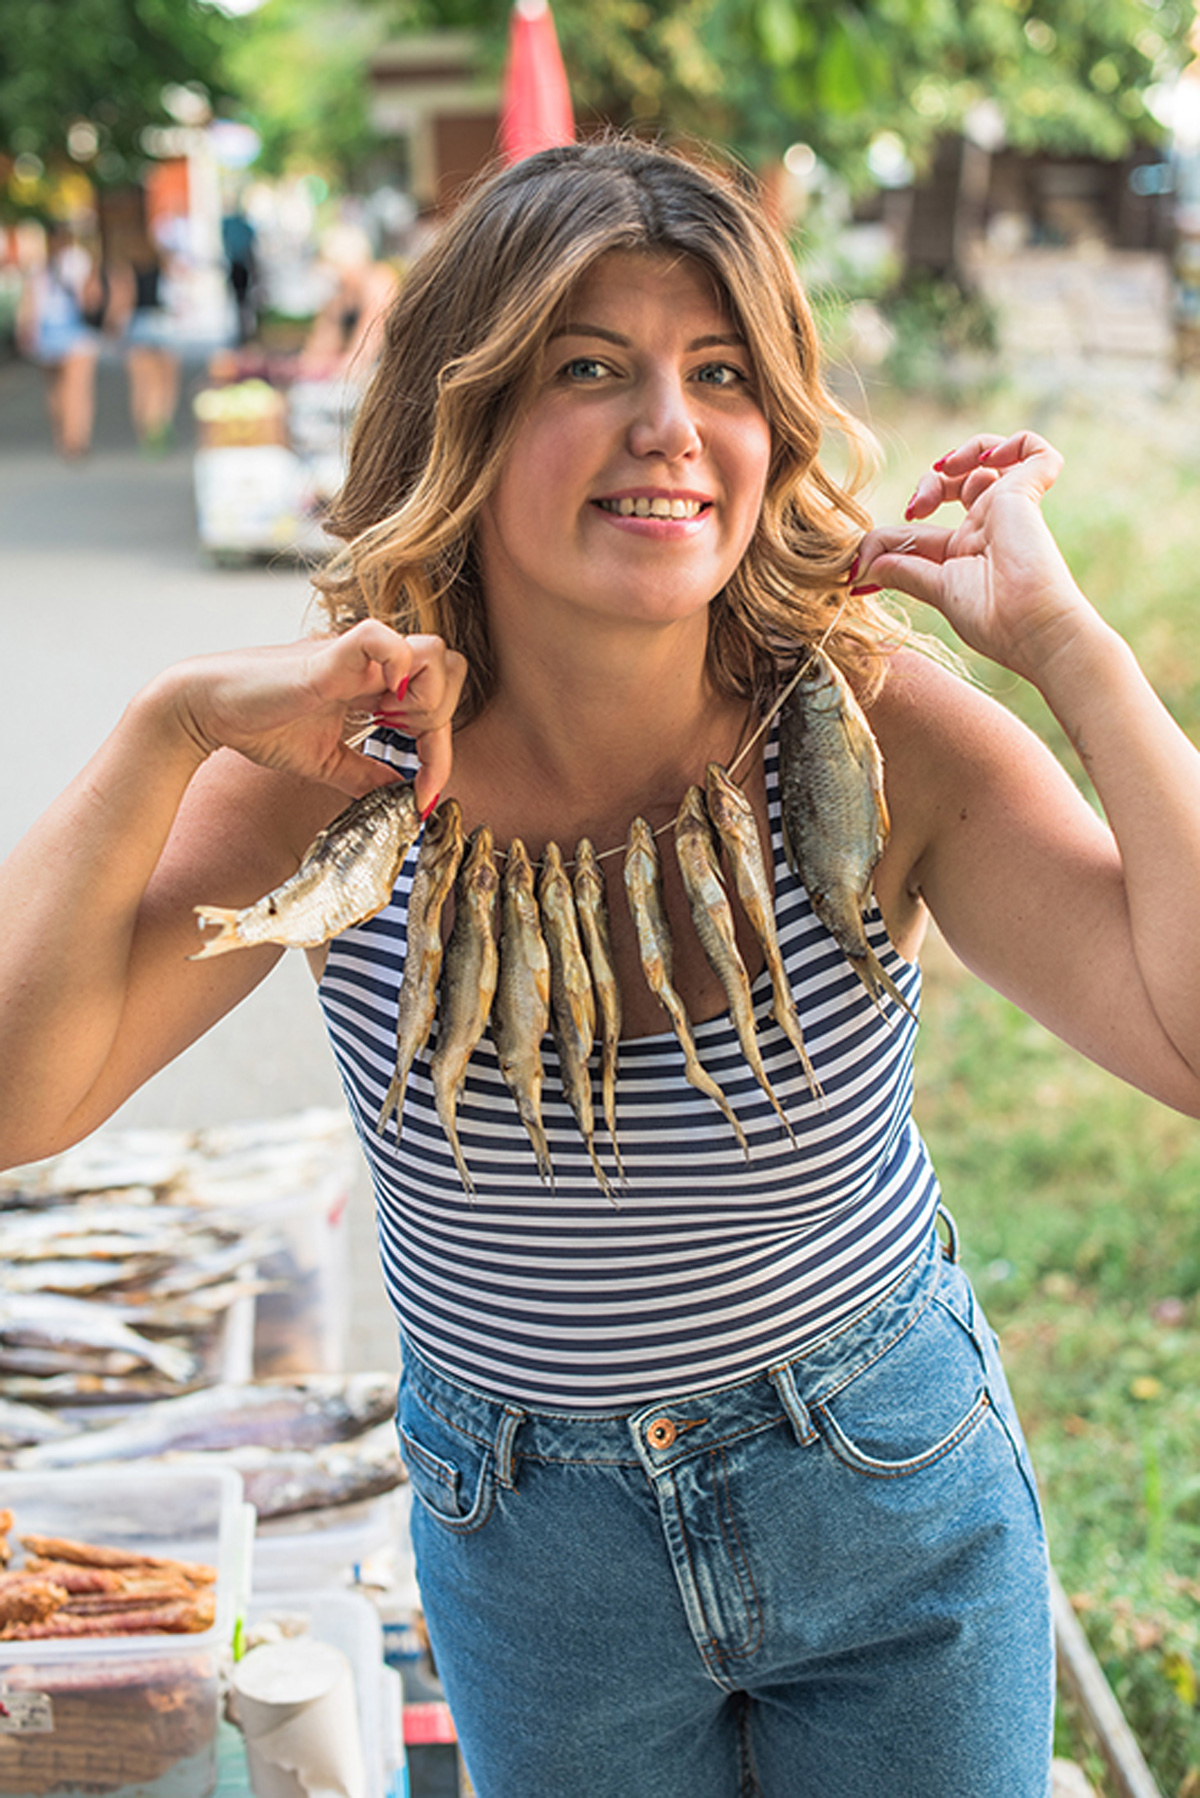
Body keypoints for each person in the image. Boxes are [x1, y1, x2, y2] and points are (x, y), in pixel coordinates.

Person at [2, 138, 1199, 1797]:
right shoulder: (340, 764)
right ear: (466, 417)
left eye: (721, 373)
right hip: (532, 1555)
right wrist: (166, 726)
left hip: (883, 1487)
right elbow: (23, 1095)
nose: (669, 425)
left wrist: (1076, 651)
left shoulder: (864, 725)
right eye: (590, 366)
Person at [16, 222, 106, 459]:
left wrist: (24, 331)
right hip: (75, 330)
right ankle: (76, 438)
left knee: (55, 389)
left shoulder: (38, 266)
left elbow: (28, 303)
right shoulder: (80, 261)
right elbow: (92, 297)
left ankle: (62, 436)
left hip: (46, 332)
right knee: (78, 389)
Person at [110, 233, 181, 454]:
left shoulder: (126, 270)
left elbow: (122, 301)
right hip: (162, 324)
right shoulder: (165, 266)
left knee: (142, 387)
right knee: (165, 385)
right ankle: (161, 424)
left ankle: (146, 433)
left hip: (137, 326)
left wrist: (112, 328)